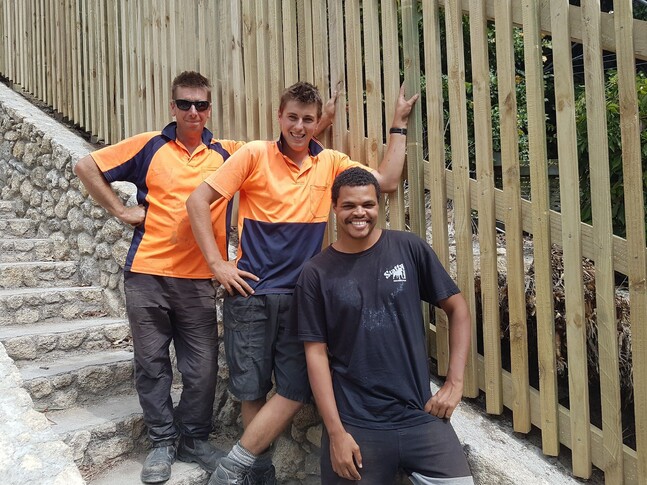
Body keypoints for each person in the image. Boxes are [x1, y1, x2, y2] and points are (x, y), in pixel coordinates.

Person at [73, 71, 336, 484]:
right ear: (172, 106)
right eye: (184, 104)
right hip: (147, 272)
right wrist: (120, 210)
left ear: (210, 108)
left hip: (198, 278)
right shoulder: (149, 145)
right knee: (152, 363)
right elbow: (85, 165)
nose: (193, 111)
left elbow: (286, 145)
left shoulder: (228, 152)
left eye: (201, 104)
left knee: (202, 369)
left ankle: (193, 438)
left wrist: (320, 120)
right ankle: (162, 441)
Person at [186, 81, 419, 484]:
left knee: (295, 389)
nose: (298, 126)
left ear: (317, 122)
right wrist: (217, 264)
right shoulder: (254, 154)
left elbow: (385, 181)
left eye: (307, 120)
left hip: (303, 298)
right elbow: (196, 201)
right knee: (251, 390)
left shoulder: (330, 162)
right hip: (251, 293)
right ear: (279, 116)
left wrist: (398, 123)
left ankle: (231, 469)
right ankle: (259, 473)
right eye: (292, 117)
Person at [293, 168, 474, 484]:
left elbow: (458, 309)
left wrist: (454, 383)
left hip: (420, 415)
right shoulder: (316, 273)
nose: (359, 213)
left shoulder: (409, 249)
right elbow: (316, 355)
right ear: (334, 207)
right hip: (356, 425)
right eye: (349, 205)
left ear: (379, 205)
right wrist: (336, 433)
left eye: (368, 204)